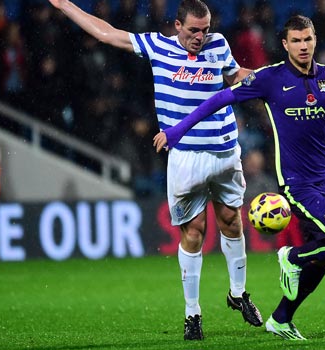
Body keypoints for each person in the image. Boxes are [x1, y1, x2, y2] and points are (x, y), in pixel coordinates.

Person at [154, 15, 325, 340]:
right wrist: (177, 130)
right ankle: (292, 257)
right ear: (285, 45)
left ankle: (281, 319)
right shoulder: (270, 78)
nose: (303, 46)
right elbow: (220, 98)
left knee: (324, 258)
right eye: (296, 41)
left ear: (315, 40)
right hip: (298, 183)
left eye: (308, 39)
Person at [48, 0, 263, 341]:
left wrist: (264, 77)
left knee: (231, 220)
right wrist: (65, 6)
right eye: (193, 30)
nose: (200, 36)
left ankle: (238, 293)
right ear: (177, 26)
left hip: (224, 149)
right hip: (186, 156)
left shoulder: (218, 45)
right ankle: (193, 314)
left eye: (205, 30)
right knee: (194, 231)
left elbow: (234, 74)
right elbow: (108, 34)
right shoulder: (157, 46)